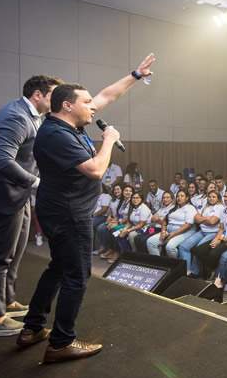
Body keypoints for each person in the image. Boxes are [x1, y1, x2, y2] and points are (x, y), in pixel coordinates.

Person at [19, 54, 154, 360]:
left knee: (58, 267)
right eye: (87, 102)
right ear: (68, 105)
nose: (95, 106)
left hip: (61, 209)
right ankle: (61, 342)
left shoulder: (69, 124)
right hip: (69, 214)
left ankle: (32, 327)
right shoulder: (55, 134)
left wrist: (135, 74)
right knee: (78, 276)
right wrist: (108, 139)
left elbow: (108, 94)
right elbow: (95, 169)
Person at [0, 74, 61, 337]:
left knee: (16, 251)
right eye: (53, 95)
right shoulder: (16, 117)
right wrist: (36, 182)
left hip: (17, 194)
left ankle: (7, 302)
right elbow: (1, 160)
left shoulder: (34, 115)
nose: (57, 100)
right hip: (1, 196)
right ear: (38, 95)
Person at [194, 189, 227, 286]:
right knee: (198, 250)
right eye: (225, 196)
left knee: (213, 254)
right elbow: (221, 228)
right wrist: (216, 239)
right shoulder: (223, 210)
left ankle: (217, 276)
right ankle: (211, 271)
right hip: (223, 237)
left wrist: (222, 240)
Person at [177, 190, 223, 277]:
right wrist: (207, 219)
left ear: (218, 198)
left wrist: (202, 218)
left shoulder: (219, 207)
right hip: (202, 231)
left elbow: (213, 222)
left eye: (214, 197)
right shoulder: (206, 206)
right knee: (183, 246)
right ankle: (187, 271)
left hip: (213, 233)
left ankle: (195, 273)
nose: (211, 198)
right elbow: (196, 219)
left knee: (198, 249)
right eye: (209, 197)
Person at [146, 189, 196, 258]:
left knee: (169, 247)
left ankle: (174, 265)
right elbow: (164, 221)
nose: (179, 198)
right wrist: (163, 231)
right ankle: (158, 263)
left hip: (183, 232)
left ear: (187, 198)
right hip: (168, 231)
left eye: (182, 196)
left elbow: (188, 225)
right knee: (150, 242)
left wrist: (173, 234)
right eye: (178, 196)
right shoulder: (174, 208)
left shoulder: (190, 208)